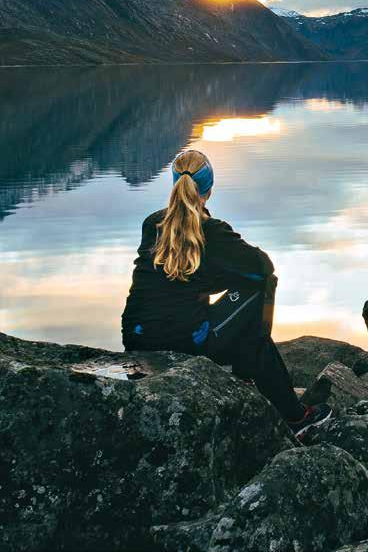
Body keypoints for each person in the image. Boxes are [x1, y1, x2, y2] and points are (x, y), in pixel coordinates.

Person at [121, 148, 331, 439]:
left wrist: (207, 280)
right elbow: (262, 266)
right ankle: (294, 416)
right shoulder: (212, 230)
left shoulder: (152, 224)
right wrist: (223, 279)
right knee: (259, 286)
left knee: (230, 298)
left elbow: (174, 276)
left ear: (173, 184)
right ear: (209, 189)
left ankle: (254, 376)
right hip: (183, 340)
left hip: (136, 337)